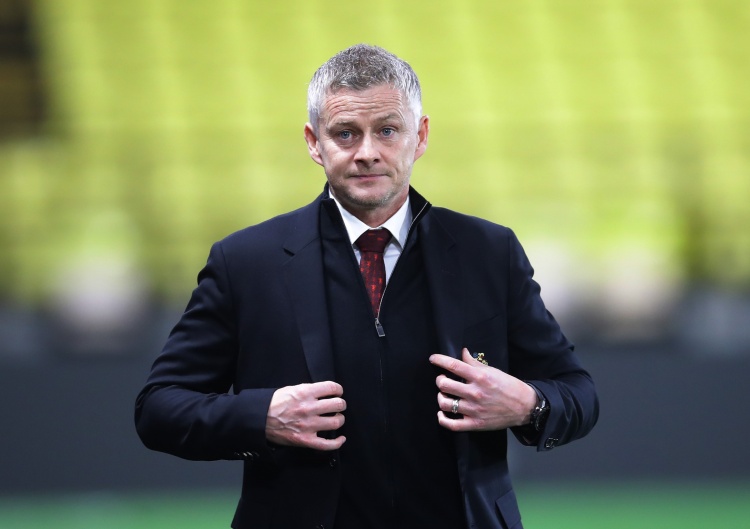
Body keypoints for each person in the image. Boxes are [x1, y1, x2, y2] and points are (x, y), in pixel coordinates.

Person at [135, 43, 598, 529]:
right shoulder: (246, 262)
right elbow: (159, 406)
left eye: (387, 130)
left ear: (420, 136)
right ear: (314, 142)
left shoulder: (489, 251)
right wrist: (262, 416)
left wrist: (528, 405)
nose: (367, 153)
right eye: (345, 133)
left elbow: (577, 392)